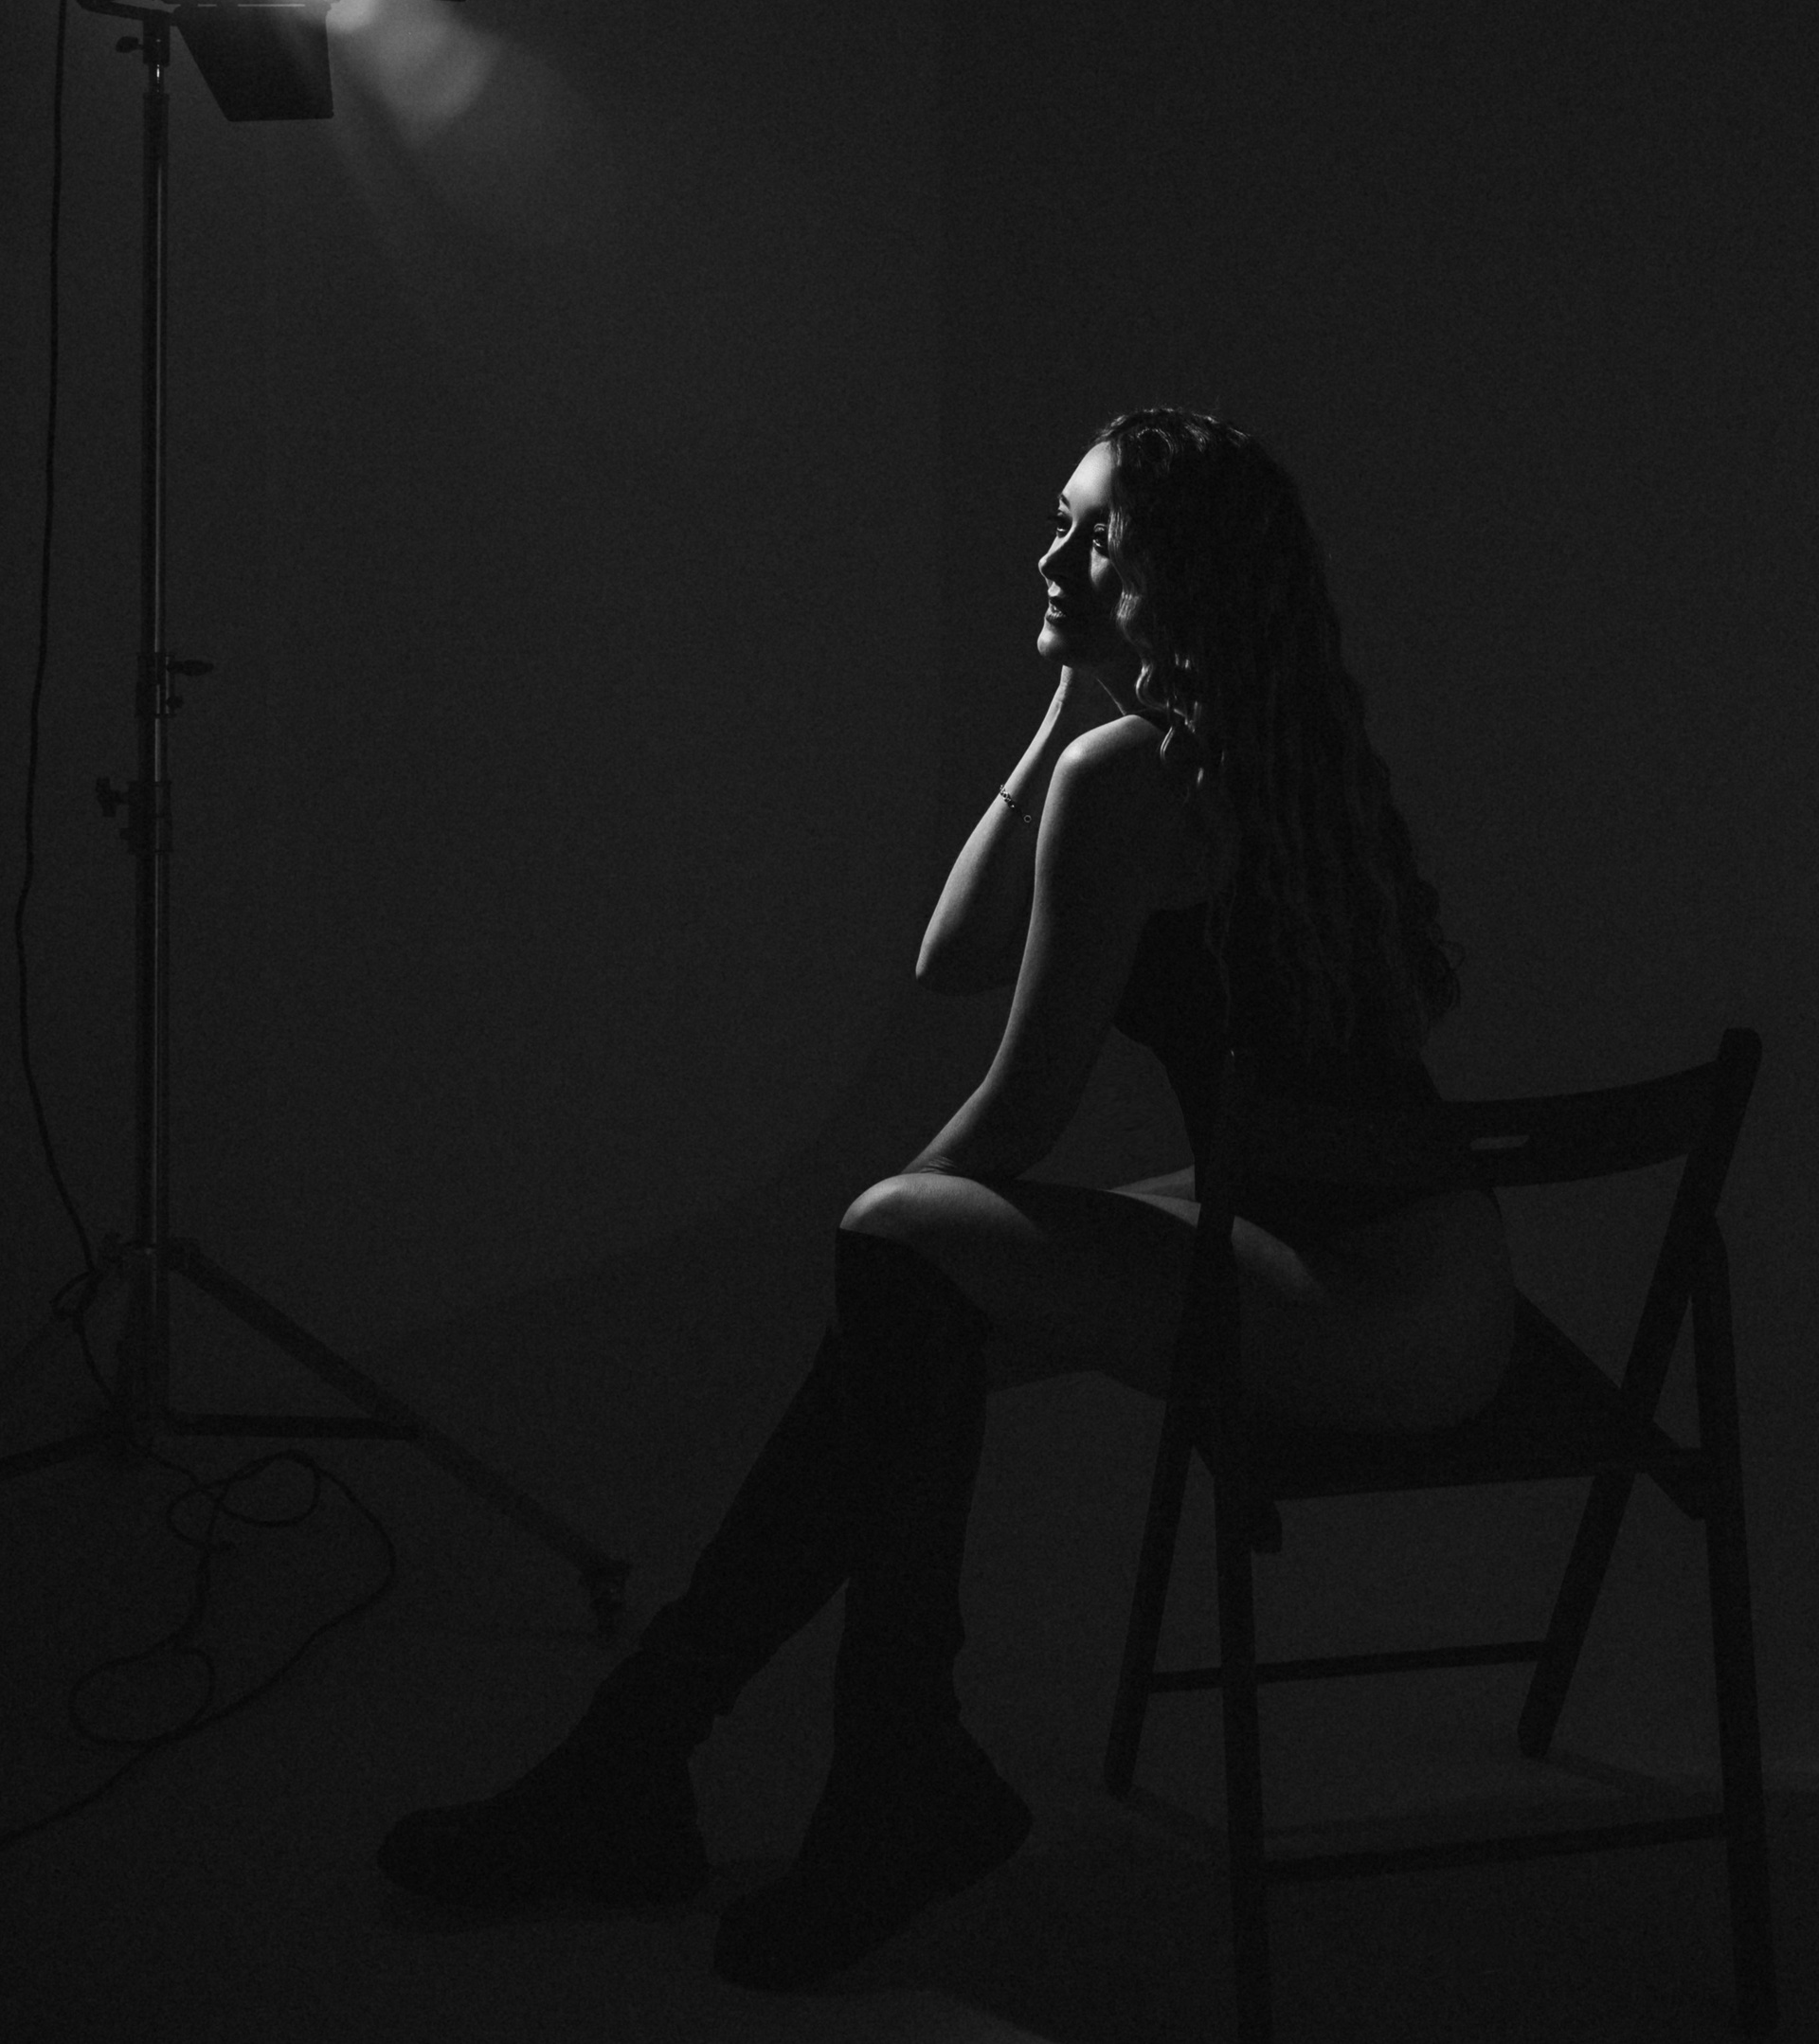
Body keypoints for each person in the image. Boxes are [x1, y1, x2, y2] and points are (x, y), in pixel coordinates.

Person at [375, 404, 1515, 1987]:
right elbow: (953, 953)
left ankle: (768, 1775)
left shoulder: (1138, 781)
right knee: (903, 1325)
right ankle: (714, 1766)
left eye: (1096, 538)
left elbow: (1021, 1112)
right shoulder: (1196, 751)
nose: (1051, 556)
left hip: (1365, 1308)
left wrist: (883, 1232)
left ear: (1181, 579)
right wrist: (1069, 700)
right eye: (1059, 521)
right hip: (1422, 1274)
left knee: (902, 1258)